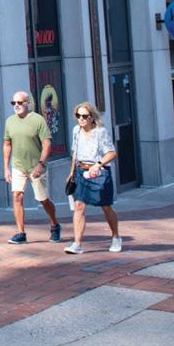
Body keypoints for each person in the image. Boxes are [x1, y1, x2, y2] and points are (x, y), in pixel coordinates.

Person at [65, 102, 123, 254]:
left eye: (85, 116)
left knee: (106, 206)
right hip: (81, 171)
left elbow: (112, 153)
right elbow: (74, 153)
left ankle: (116, 237)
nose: (81, 119)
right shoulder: (76, 130)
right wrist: (71, 173)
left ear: (92, 117)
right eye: (78, 116)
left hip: (99, 172)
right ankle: (77, 244)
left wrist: (98, 164)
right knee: (78, 205)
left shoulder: (100, 132)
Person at [3, 90, 60, 244]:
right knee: (17, 196)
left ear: (28, 103)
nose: (16, 105)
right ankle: (21, 233)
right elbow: (7, 144)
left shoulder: (38, 120)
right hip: (18, 166)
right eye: (13, 103)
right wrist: (6, 168)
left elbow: (47, 144)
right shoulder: (10, 121)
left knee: (43, 200)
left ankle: (54, 224)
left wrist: (40, 164)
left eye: (19, 102)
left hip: (36, 166)